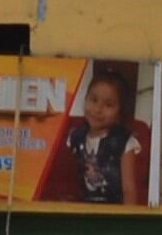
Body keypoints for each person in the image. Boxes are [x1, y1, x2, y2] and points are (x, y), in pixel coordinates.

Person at [32, 57, 150, 205]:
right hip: (86, 208)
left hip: (114, 210)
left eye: (108, 105)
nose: (98, 109)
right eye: (93, 100)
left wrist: (125, 218)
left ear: (120, 112)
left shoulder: (125, 143)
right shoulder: (76, 136)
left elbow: (129, 190)